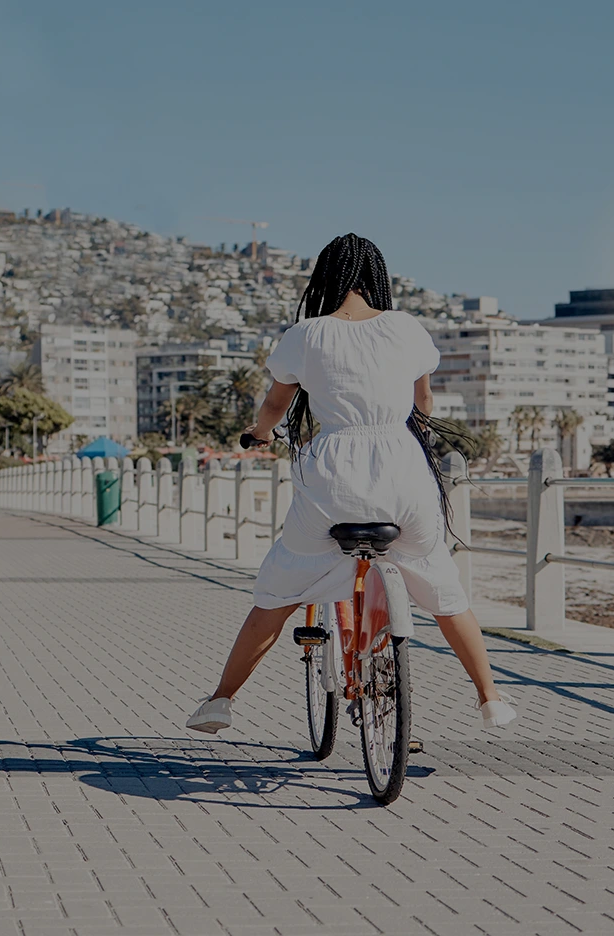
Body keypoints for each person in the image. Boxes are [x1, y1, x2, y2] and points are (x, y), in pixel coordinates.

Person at [186, 234, 515, 734]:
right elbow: (422, 402)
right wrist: (413, 435)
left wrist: (258, 433)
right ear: (377, 278)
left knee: (277, 591)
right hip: (402, 470)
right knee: (443, 585)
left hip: (333, 475)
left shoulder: (306, 334)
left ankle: (221, 701)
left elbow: (275, 408)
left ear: (326, 277)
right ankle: (490, 698)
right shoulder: (407, 329)